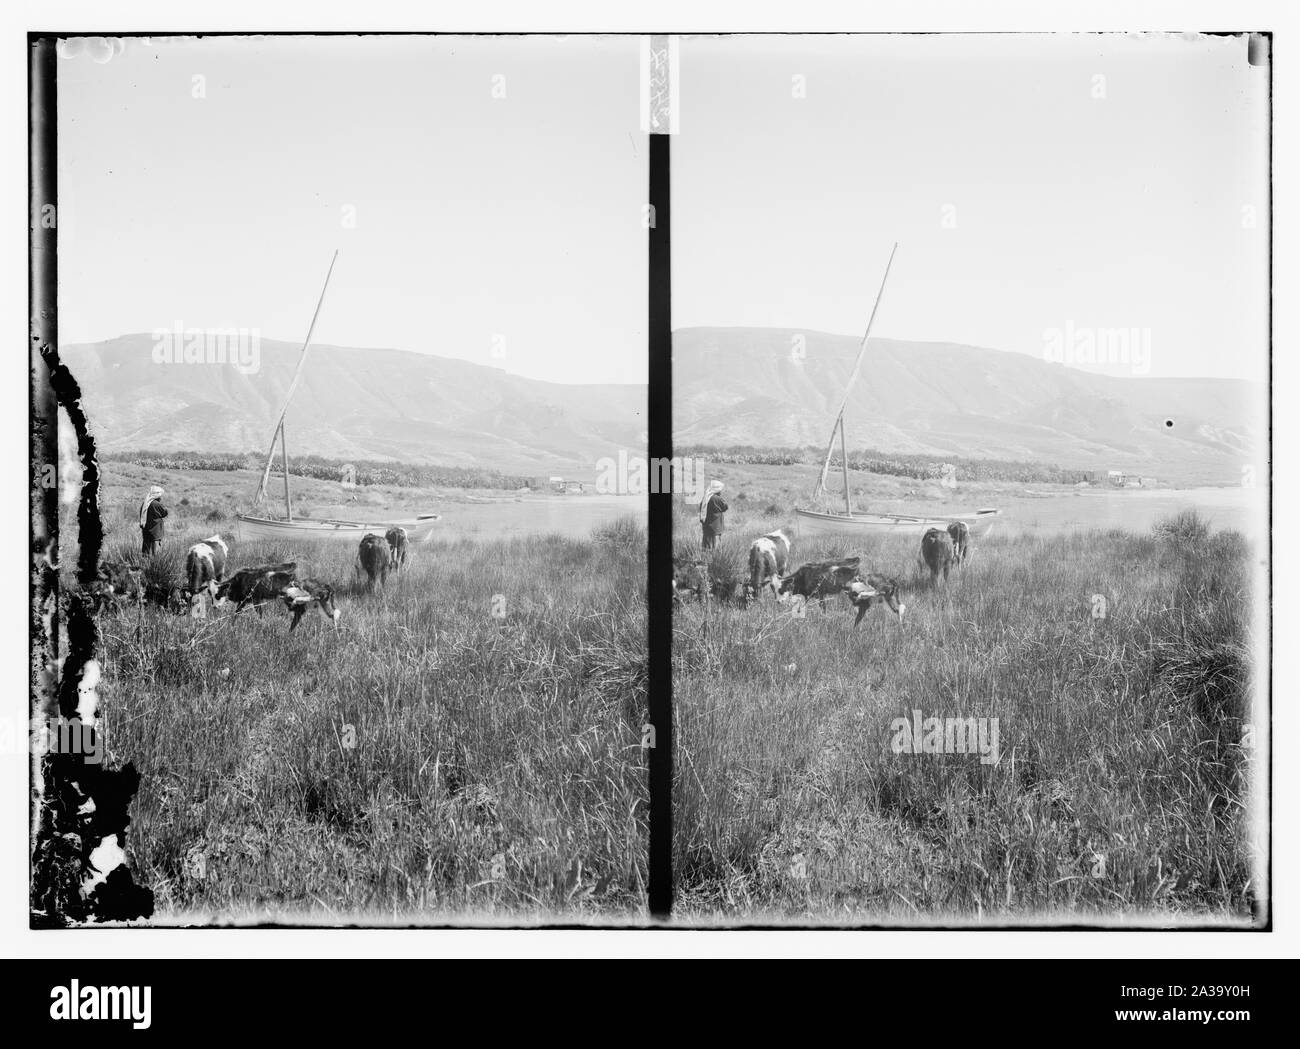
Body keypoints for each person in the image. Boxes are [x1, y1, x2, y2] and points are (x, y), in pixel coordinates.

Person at [139, 485, 168, 556]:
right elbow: (165, 513)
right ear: (157, 495)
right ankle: (154, 565)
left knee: (146, 549)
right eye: (160, 495)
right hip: (155, 530)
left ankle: (144, 564)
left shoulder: (145, 503)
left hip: (146, 529)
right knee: (155, 550)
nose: (160, 497)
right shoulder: (157, 504)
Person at [699, 480, 728, 551]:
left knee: (706, 546)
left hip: (706, 525)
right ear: (717, 490)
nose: (721, 491)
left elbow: (701, 508)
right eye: (720, 490)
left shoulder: (705, 497)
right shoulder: (716, 498)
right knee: (715, 547)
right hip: (715, 526)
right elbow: (725, 507)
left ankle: (705, 559)